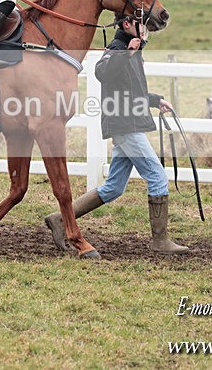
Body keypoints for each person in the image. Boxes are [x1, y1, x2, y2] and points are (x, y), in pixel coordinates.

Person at [44, 14, 190, 254]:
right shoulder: (117, 49)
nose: (144, 29)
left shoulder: (131, 51)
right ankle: (160, 241)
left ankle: (59, 219)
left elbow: (131, 89)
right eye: (140, 24)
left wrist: (155, 100)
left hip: (127, 124)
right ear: (126, 25)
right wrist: (128, 54)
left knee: (113, 187)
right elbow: (102, 73)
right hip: (126, 127)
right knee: (157, 177)